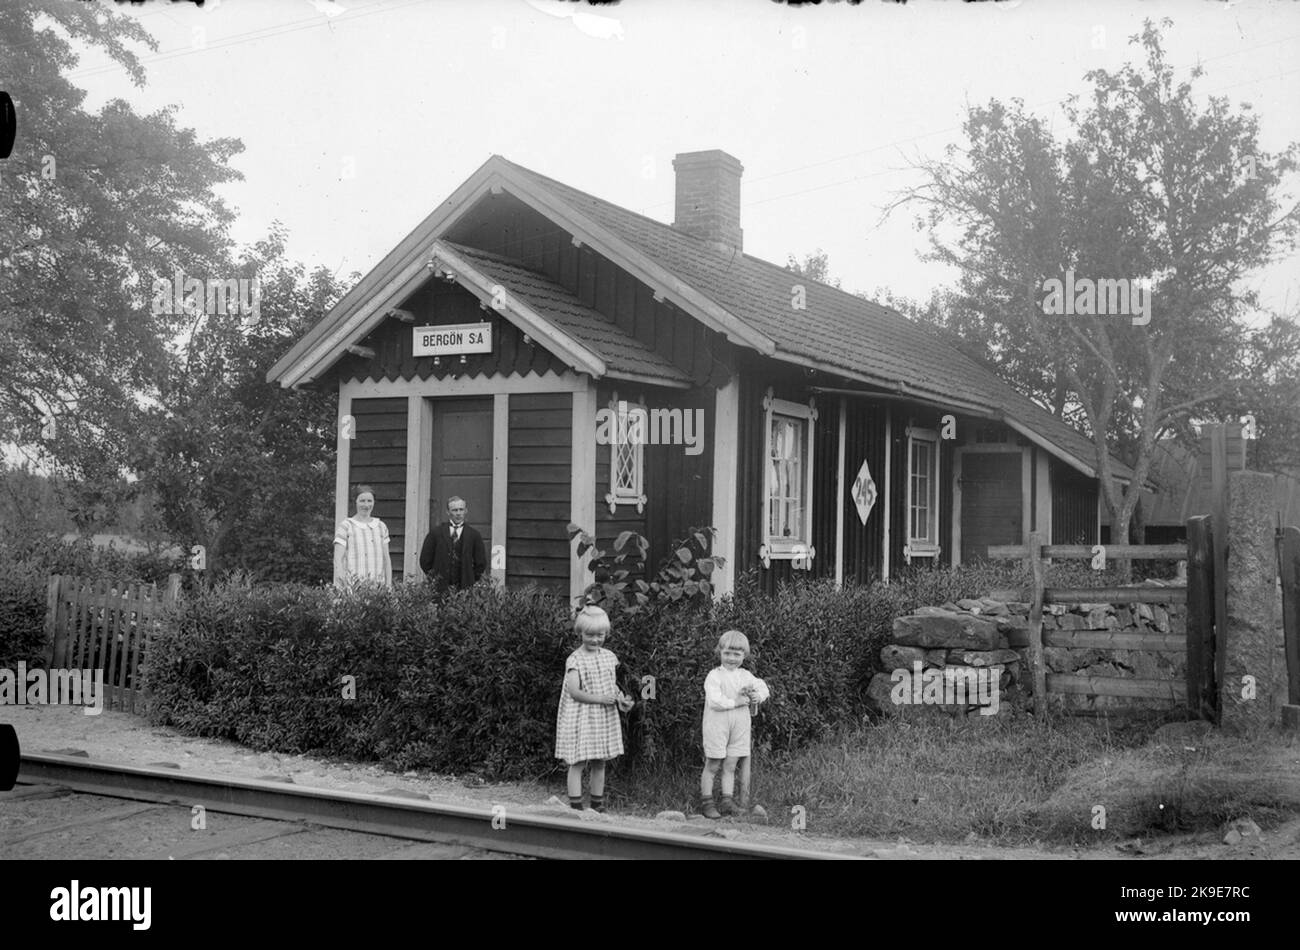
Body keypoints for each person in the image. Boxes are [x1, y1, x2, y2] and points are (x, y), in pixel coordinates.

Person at [555, 605, 634, 812]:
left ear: (606, 633)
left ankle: (597, 805)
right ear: (579, 633)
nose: (595, 640)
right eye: (589, 635)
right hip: (581, 716)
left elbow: (611, 683)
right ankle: (576, 806)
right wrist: (600, 698)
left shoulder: (608, 656)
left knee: (600, 761)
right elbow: (574, 691)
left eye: (600, 635)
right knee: (578, 761)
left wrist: (620, 698)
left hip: (603, 717)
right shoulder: (575, 659)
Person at [699, 629, 769, 819]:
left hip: (739, 726)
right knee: (713, 763)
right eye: (727, 653)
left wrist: (757, 695)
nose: (731, 658)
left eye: (736, 654)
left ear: (744, 656)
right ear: (719, 652)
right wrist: (735, 702)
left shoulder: (745, 676)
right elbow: (715, 700)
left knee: (731, 764)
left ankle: (727, 801)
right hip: (718, 725)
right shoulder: (714, 676)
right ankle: (707, 802)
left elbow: (763, 687)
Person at [418, 496, 487, 593]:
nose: (458, 513)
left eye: (461, 510)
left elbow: (481, 563)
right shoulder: (436, 533)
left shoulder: (474, 535)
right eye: (454, 510)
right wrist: (435, 578)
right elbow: (425, 560)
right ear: (448, 512)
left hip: (464, 589)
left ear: (465, 511)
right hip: (440, 588)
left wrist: (469, 578)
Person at [333, 484, 392, 588]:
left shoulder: (381, 526)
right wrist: (344, 587)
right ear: (355, 501)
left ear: (374, 502)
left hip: (377, 589)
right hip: (353, 589)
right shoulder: (346, 526)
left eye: (369, 501)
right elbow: (338, 559)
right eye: (362, 501)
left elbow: (386, 559)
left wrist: (388, 586)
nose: (366, 505)